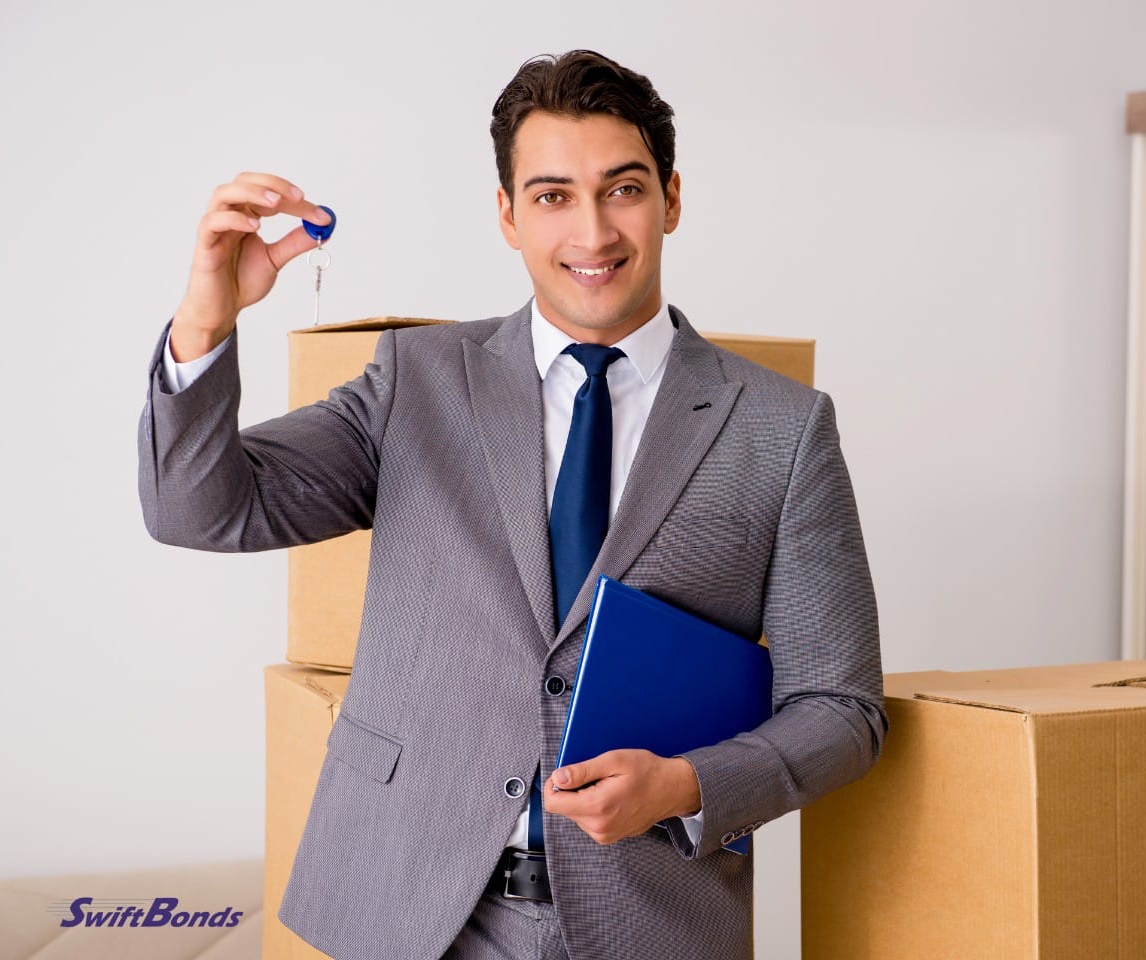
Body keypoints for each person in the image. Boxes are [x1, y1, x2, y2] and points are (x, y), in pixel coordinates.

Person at [137, 50, 885, 960]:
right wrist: (206, 323)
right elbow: (200, 510)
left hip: (646, 922)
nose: (594, 232)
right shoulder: (416, 381)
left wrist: (689, 784)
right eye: (552, 196)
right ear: (507, 215)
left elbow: (841, 707)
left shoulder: (783, 427)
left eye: (623, 189)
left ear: (673, 199)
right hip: (407, 914)